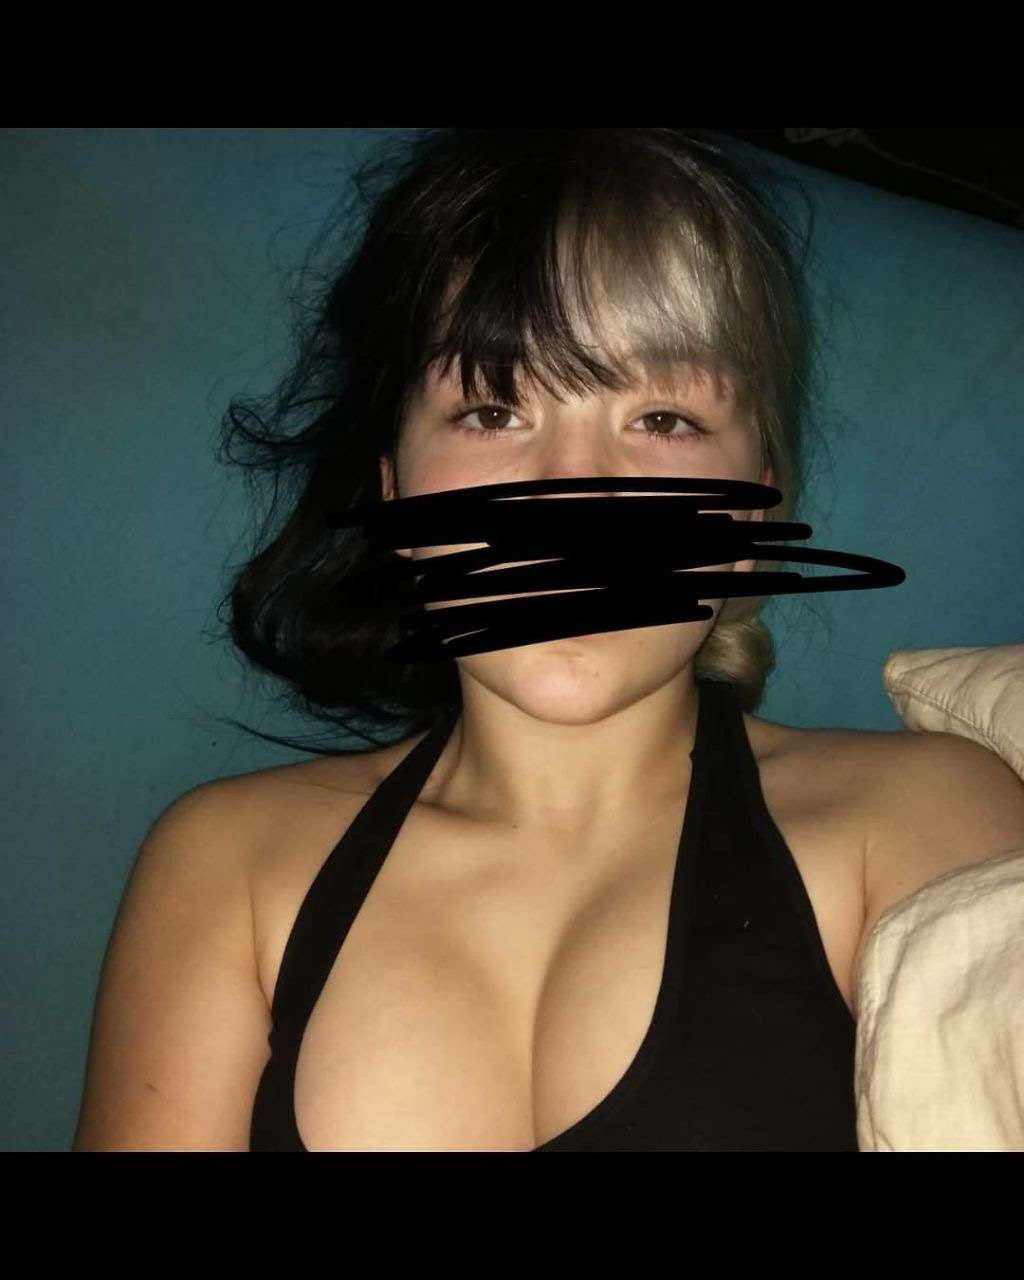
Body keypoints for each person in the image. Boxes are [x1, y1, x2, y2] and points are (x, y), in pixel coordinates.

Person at [72, 129, 1024, 1153]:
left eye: (662, 419)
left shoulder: (918, 816)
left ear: (754, 508)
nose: (574, 497)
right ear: (393, 492)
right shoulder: (228, 863)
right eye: (492, 410)